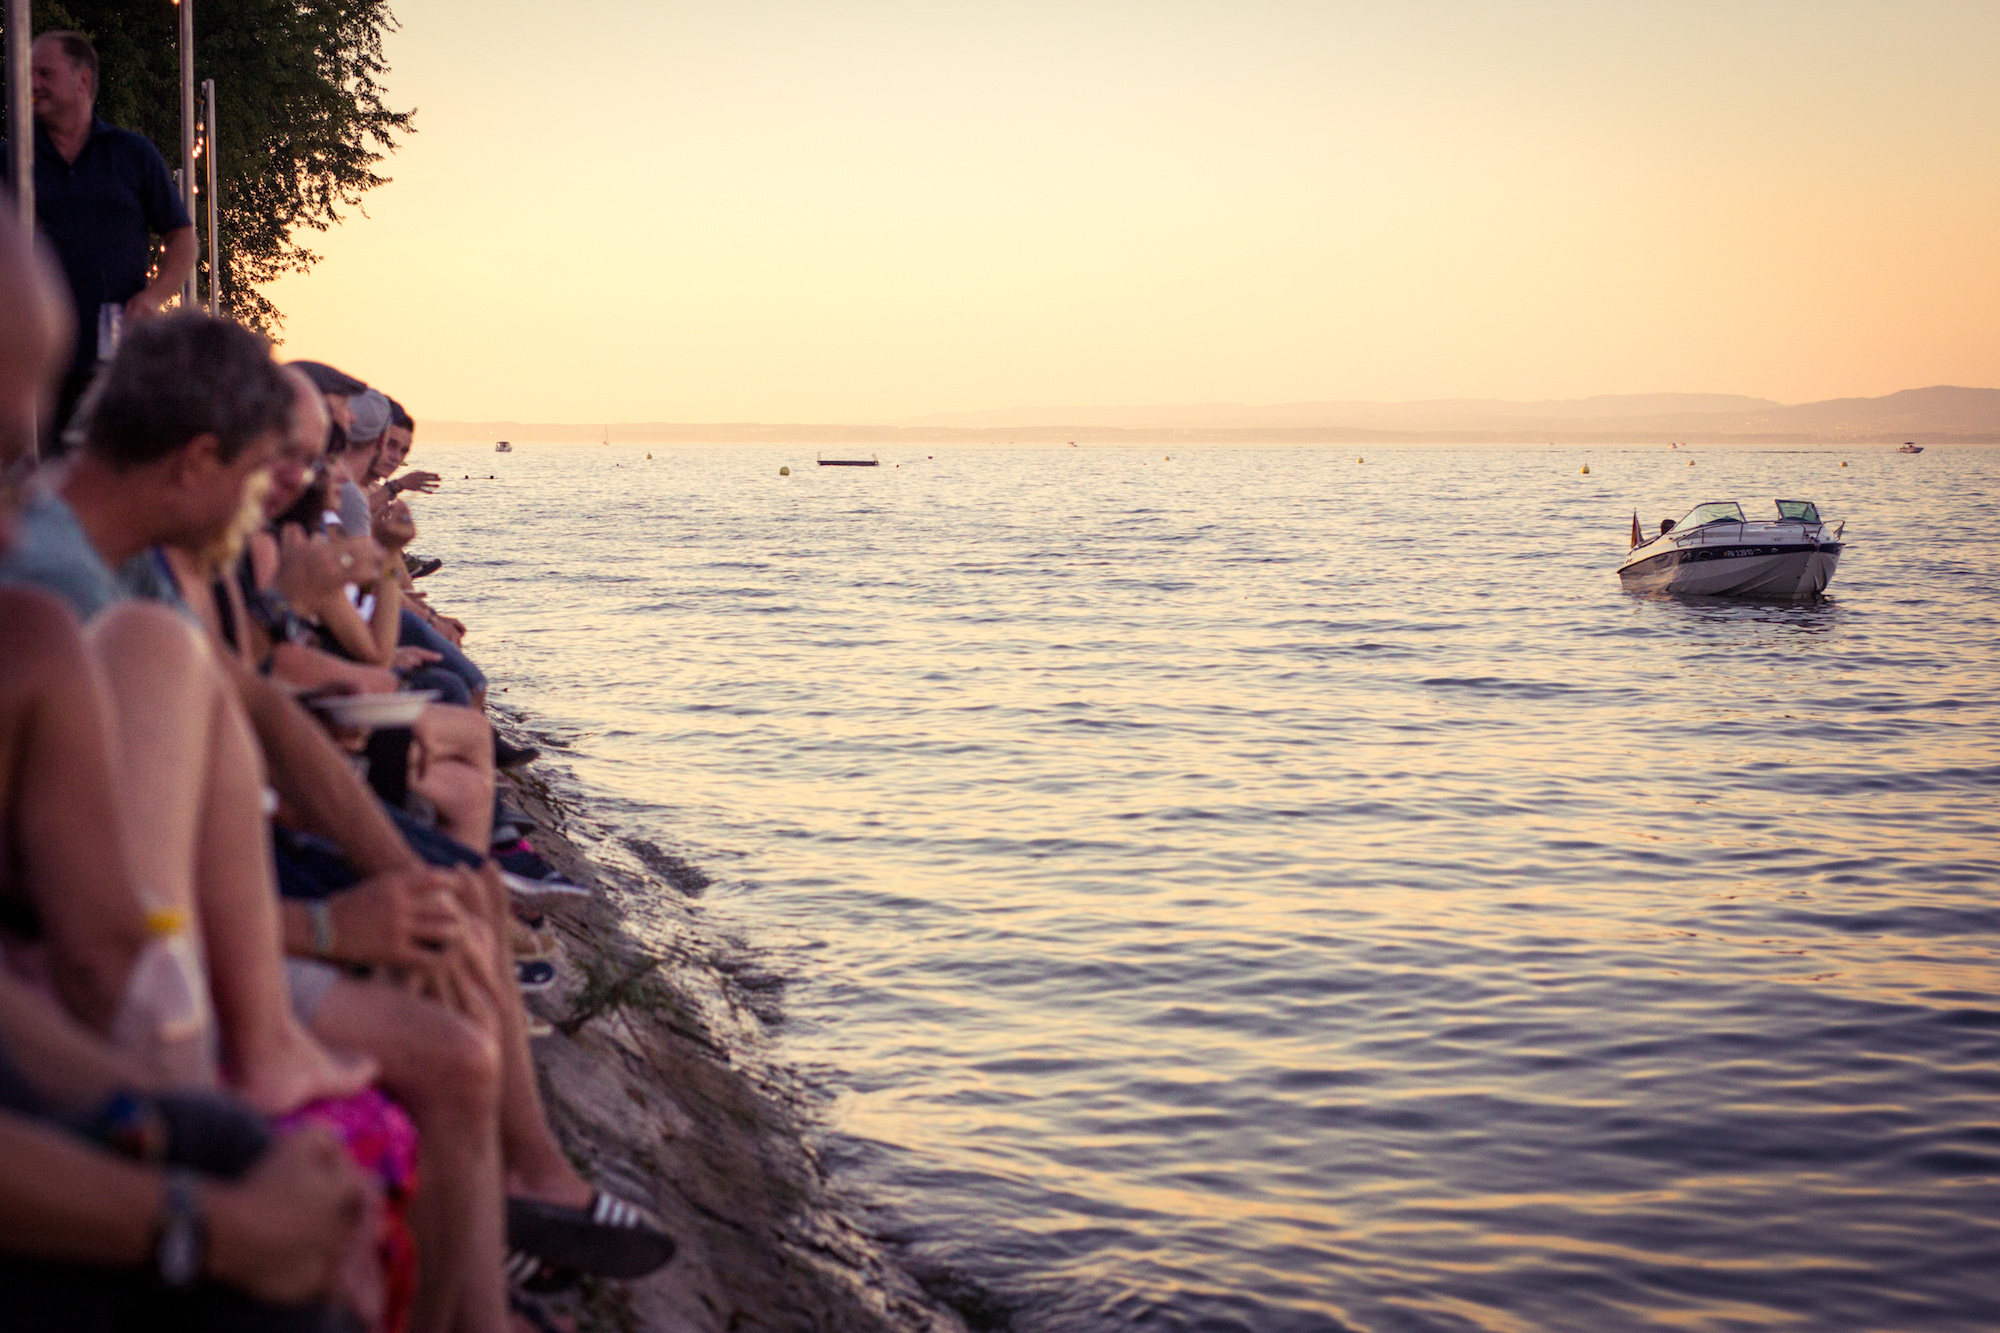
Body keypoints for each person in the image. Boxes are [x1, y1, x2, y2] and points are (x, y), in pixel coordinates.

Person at [2, 31, 196, 439]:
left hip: (113, 360)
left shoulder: (132, 155)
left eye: (44, 73)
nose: (32, 84)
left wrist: (154, 296)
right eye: (28, 73)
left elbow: (181, 237)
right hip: (33, 363)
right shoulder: (11, 159)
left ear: (83, 81)